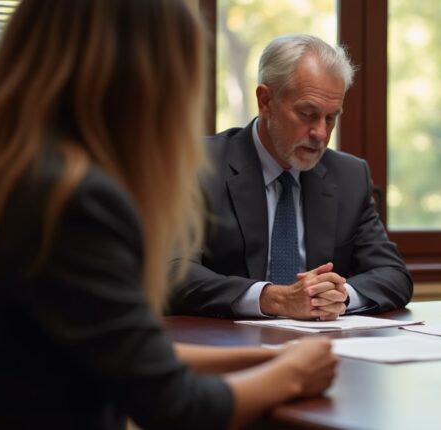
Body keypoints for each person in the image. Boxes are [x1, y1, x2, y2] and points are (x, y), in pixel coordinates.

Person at [0, 1, 336, 429]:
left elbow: (130, 352)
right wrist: (294, 373)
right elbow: (175, 405)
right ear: (139, 83)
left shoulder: (20, 174)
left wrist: (269, 356)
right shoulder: (73, 200)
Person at [167, 34, 412, 321]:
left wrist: (338, 296)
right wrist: (272, 298)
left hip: (322, 349)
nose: (321, 134)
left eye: (331, 118)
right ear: (265, 101)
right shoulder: (198, 165)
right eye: (308, 114)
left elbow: (394, 275)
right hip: (227, 348)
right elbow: (174, 271)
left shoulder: (349, 176)